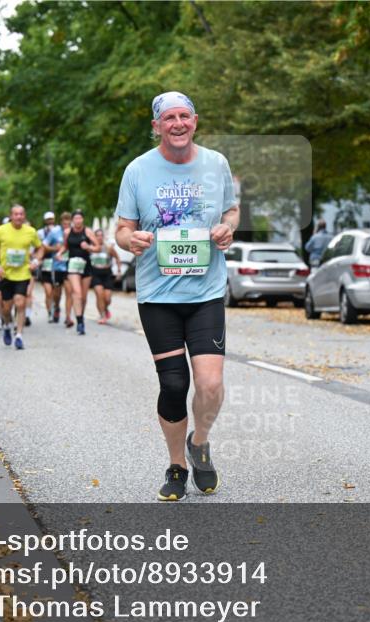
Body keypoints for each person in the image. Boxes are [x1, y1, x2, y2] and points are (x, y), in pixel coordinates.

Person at [114, 91, 238, 501]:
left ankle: (199, 442)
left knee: (210, 384)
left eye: (185, 116)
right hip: (158, 296)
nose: (178, 124)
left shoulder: (216, 164)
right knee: (173, 383)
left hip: (205, 293)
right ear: (156, 126)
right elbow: (121, 229)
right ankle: (176, 465)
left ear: (195, 121)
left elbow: (232, 211)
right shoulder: (137, 171)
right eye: (169, 118)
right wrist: (129, 240)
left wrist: (227, 228)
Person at [0, 204, 44, 349]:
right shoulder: (1, 231)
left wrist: (36, 261)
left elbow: (40, 248)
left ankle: (19, 335)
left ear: (24, 216)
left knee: (20, 303)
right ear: (11, 216)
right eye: (16, 214)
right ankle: (7, 326)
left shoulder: (31, 232)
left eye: (21, 214)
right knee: (7, 308)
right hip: (6, 274)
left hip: (23, 273)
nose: (19, 217)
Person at [58, 209, 99, 335]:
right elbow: (65, 245)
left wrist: (89, 247)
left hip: (85, 266)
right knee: (77, 293)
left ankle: (80, 315)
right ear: (72, 220)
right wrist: (60, 253)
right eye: (75, 219)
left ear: (83, 220)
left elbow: (97, 247)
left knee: (84, 297)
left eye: (80, 218)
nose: (78, 221)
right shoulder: (67, 232)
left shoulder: (88, 231)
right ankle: (80, 322)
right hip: (72, 266)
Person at [90, 228, 122, 324]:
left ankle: (105, 308)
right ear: (94, 237)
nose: (99, 237)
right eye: (97, 235)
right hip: (95, 273)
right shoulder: (91, 248)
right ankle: (102, 315)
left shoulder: (108, 248)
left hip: (107, 273)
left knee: (107, 299)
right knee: (99, 295)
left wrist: (119, 271)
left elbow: (117, 258)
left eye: (101, 235)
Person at [38, 211, 63, 323]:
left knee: (56, 291)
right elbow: (40, 247)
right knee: (48, 292)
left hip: (57, 265)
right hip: (45, 264)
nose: (50, 221)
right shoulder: (40, 233)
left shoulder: (59, 230)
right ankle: (49, 313)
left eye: (51, 219)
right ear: (45, 220)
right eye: (48, 219)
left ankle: (56, 306)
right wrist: (53, 249)